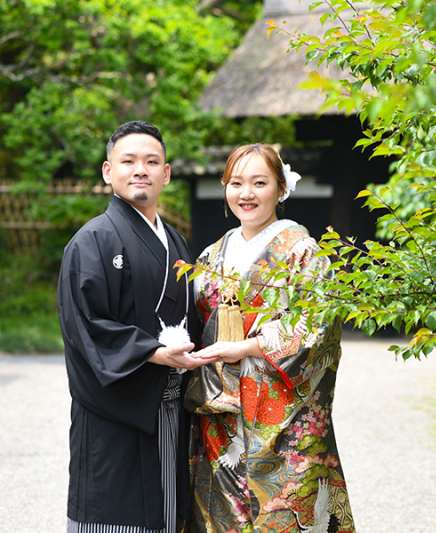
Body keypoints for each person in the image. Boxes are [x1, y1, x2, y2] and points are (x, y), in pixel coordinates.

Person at [186, 144, 355, 532]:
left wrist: (245, 347)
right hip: (222, 412)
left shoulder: (302, 251)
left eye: (259, 183)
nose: (246, 193)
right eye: (236, 183)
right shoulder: (212, 255)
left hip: (280, 415)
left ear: (281, 188)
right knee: (221, 518)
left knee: (287, 513)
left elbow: (317, 325)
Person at [58, 121, 216, 533]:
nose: (140, 169)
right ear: (109, 171)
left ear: (166, 174)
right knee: (113, 512)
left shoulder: (177, 243)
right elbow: (86, 324)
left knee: (166, 513)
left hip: (168, 404)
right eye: (128, 160)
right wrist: (152, 351)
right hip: (117, 407)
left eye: (151, 161)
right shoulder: (92, 241)